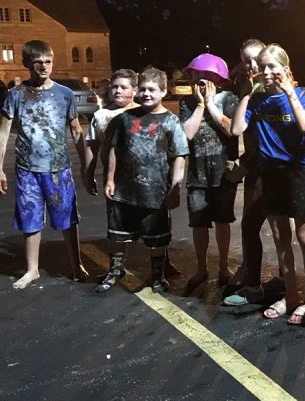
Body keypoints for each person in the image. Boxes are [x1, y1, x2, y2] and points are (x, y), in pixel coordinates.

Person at [229, 44, 305, 324]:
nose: (266, 71)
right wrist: (248, 91)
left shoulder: (301, 93)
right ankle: (291, 295)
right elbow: (236, 129)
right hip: (270, 174)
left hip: (297, 172)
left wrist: (290, 92)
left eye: (272, 66)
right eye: (262, 66)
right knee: (281, 238)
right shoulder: (257, 101)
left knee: (304, 237)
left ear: (285, 69)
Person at [0, 40, 88, 289]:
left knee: (68, 217)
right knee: (30, 218)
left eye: (47, 61)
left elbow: (76, 130)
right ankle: (32, 270)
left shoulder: (64, 94)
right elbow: (4, 132)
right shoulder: (16, 95)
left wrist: (85, 166)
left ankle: (76, 264)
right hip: (27, 168)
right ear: (26, 63)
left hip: (58, 168)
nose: (43, 67)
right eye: (37, 62)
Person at [103, 68, 189, 292]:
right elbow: (115, 149)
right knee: (117, 234)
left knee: (156, 238)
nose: (146, 94)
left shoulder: (171, 122)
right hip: (124, 190)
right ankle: (115, 270)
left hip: (155, 192)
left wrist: (175, 188)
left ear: (163, 92)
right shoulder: (125, 118)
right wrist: (110, 179)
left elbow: (180, 156)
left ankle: (157, 276)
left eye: (152, 90)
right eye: (142, 89)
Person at [180, 54, 240, 289]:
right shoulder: (187, 104)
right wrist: (201, 105)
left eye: (206, 78)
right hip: (197, 174)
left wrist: (212, 104)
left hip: (223, 174)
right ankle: (201, 267)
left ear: (218, 80)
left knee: (223, 221)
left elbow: (231, 130)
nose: (201, 82)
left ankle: (224, 266)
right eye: (197, 77)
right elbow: (188, 134)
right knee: (199, 224)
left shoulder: (229, 99)